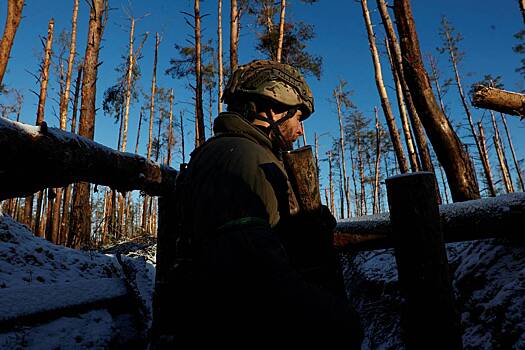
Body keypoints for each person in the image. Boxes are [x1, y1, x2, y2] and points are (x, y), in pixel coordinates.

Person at [152, 59, 363, 347]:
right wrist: (336, 317)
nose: (300, 130)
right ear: (274, 108)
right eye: (297, 118)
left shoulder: (224, 151)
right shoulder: (245, 158)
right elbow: (254, 273)